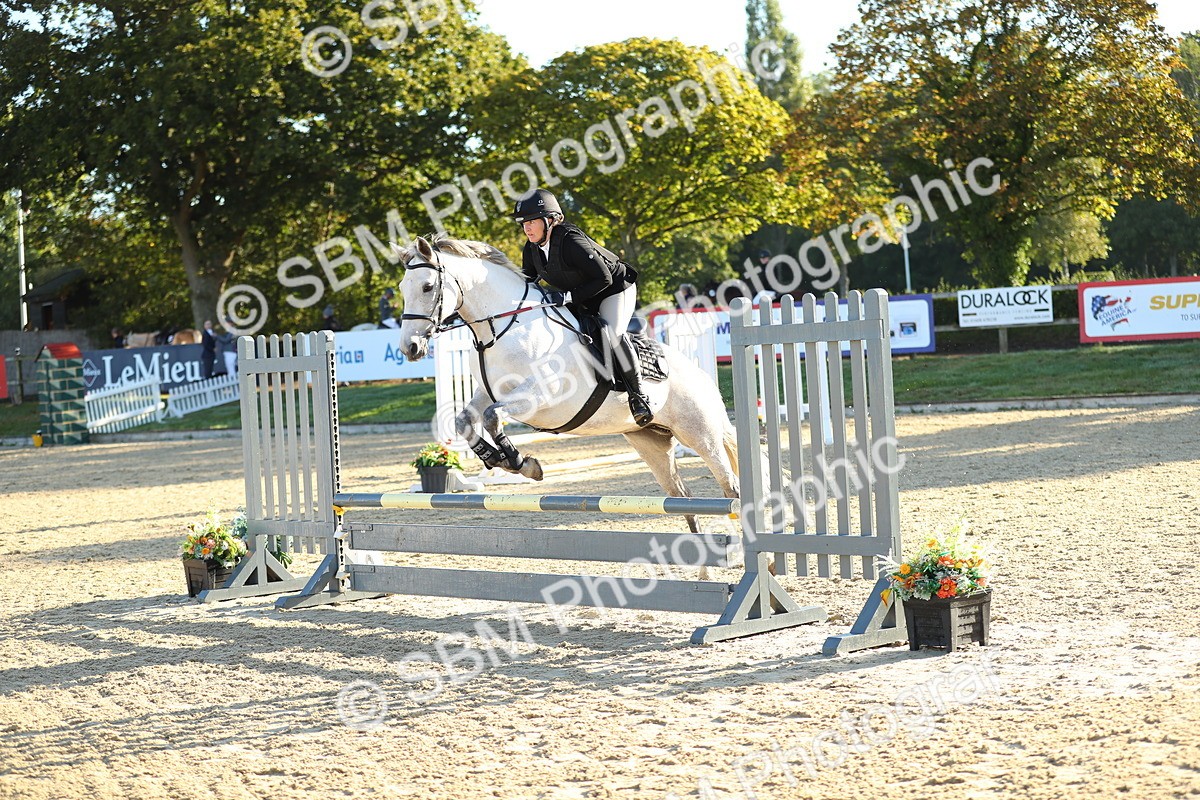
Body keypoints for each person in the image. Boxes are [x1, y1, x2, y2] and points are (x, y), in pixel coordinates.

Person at [511, 188, 652, 427]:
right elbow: (526, 282)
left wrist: (566, 297)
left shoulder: (570, 241)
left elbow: (604, 278)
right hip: (582, 295)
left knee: (612, 333)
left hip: (614, 289)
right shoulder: (531, 248)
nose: (527, 228)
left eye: (532, 221)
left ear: (550, 220)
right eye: (523, 223)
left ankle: (638, 396)